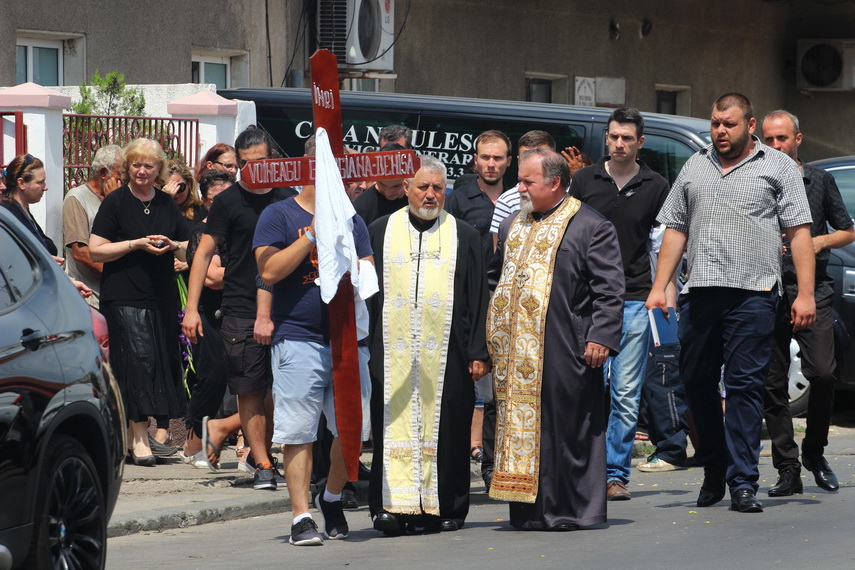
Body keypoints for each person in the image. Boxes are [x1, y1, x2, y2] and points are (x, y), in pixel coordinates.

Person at [647, 93, 816, 514]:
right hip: (700, 293)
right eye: (715, 123)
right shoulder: (696, 164)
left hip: (754, 296)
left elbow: (799, 233)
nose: (720, 131)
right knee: (696, 382)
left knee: (744, 388)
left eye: (729, 124)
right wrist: (660, 284)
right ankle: (713, 465)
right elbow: (675, 229)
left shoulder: (777, 168)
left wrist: (806, 294)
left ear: (750, 125)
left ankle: (743, 481)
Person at [488, 148, 624, 531]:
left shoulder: (589, 224)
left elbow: (609, 290)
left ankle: (571, 509)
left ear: (555, 183)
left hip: (568, 342)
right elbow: (494, 278)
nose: (520, 188)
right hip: (517, 348)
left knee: (566, 426)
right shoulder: (513, 222)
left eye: (528, 181)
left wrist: (601, 336)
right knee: (527, 428)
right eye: (520, 180)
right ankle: (530, 510)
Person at [253, 135, 373, 546]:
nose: (348, 178)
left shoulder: (353, 219)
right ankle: (301, 517)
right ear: (313, 168)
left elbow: (366, 268)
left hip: (347, 339)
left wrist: (357, 269)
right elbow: (268, 271)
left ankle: (333, 496)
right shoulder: (278, 214)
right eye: (340, 169)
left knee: (351, 430)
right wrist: (311, 235)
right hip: (299, 338)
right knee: (299, 430)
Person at [366, 156, 489, 535]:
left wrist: (477, 352)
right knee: (391, 425)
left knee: (449, 427)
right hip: (391, 350)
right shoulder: (379, 231)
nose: (431, 194)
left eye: (438, 187)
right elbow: (368, 295)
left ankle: (446, 507)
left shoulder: (463, 234)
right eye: (423, 187)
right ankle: (390, 508)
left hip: (447, 351)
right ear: (406, 189)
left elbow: (476, 297)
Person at [182, 127, 295, 487]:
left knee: (284, 390)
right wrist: (192, 309)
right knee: (249, 389)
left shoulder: (287, 196)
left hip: (288, 307)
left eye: (259, 162)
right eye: (245, 164)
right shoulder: (229, 201)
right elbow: (202, 254)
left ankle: (245, 440)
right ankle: (262, 462)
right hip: (241, 307)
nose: (252, 170)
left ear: (271, 160)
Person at [569, 107, 671, 501]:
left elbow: (664, 243)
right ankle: (583, 468)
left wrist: (661, 291)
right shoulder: (583, 180)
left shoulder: (656, 185)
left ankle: (615, 475)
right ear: (606, 139)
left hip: (634, 301)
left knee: (626, 394)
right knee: (585, 390)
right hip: (586, 303)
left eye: (627, 138)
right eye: (613, 137)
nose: (619, 144)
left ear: (640, 142)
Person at [761, 110, 853, 496]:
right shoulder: (755, 181)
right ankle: (787, 466)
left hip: (813, 289)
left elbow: (848, 230)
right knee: (772, 382)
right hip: (767, 290)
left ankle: (814, 452)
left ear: (798, 140)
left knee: (822, 373)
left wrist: (817, 242)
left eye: (782, 138)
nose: (776, 146)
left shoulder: (820, 181)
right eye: (769, 140)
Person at [89, 138, 191, 466]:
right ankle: (138, 437)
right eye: (136, 164)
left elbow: (190, 246)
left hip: (160, 297)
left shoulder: (165, 203)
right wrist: (134, 244)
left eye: (149, 165)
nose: (142, 171)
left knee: (158, 365)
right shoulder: (116, 202)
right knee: (134, 366)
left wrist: (173, 243)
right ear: (127, 167)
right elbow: (95, 249)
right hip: (123, 297)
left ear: (158, 169)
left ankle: (139, 438)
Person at [180, 169, 244, 469]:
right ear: (206, 201)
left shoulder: (241, 229)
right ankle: (192, 443)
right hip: (212, 314)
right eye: (218, 199)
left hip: (240, 310)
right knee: (211, 377)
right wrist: (245, 267)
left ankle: (247, 447)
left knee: (247, 380)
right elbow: (213, 278)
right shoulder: (201, 233)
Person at [62, 144, 123, 309]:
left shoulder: (121, 198)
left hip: (117, 296)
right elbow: (81, 253)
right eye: (120, 175)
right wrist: (121, 279)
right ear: (104, 173)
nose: (124, 181)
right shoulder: (77, 199)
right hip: (90, 298)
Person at [444, 129, 512, 261]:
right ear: (476, 160)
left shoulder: (517, 202)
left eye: (497, 158)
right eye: (485, 157)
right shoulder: (456, 200)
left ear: (508, 161)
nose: (491, 164)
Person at [1, 154, 59, 257]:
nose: (45, 187)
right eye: (40, 182)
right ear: (21, 183)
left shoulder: (23, 210)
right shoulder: (9, 214)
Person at [352, 142, 409, 225]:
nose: (388, 192)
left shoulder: (416, 201)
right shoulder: (361, 207)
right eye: (382, 184)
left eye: (396, 186)